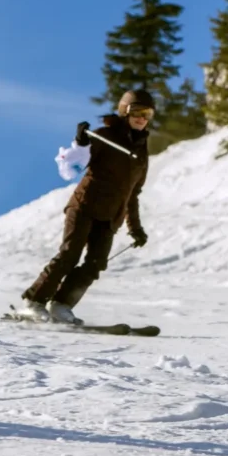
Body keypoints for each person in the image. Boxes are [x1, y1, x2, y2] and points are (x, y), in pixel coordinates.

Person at [17, 89, 153, 325]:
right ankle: (33, 302)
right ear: (124, 111)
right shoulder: (105, 135)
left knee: (96, 263)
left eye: (147, 113)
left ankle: (61, 305)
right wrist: (80, 143)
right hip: (85, 206)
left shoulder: (141, 152)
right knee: (69, 255)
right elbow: (73, 166)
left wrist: (135, 228)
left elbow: (133, 194)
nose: (142, 118)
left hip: (110, 216)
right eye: (137, 112)